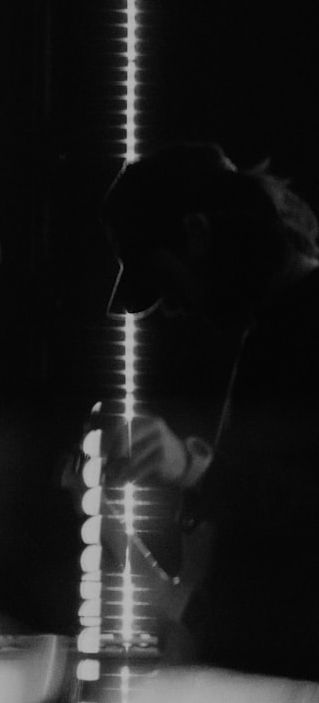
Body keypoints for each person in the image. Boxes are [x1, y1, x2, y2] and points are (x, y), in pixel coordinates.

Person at [99, 141, 319, 681]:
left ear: (198, 235)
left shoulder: (306, 327)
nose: (174, 305)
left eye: (166, 279)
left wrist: (194, 468)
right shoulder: (274, 333)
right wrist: (165, 594)